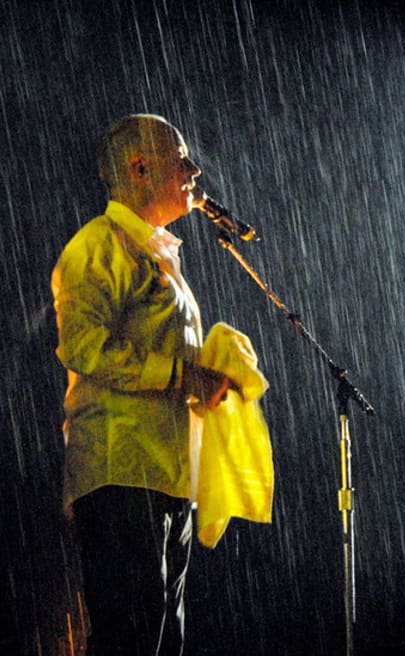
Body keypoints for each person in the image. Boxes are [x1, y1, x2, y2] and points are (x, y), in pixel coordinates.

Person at [52, 114, 230, 655]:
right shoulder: (98, 246)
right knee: (130, 639)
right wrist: (182, 375)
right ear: (140, 168)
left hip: (168, 478)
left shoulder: (157, 254)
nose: (195, 170)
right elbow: (83, 346)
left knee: (160, 640)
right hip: (121, 474)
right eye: (182, 159)